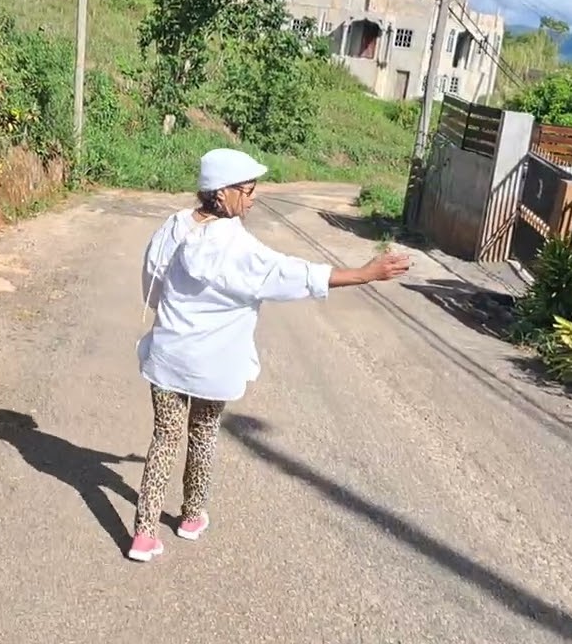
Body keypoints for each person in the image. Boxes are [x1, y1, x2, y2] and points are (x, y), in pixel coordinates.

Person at [128, 148, 411, 562]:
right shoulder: (239, 247)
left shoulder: (174, 227)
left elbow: (152, 280)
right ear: (221, 193)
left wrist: (170, 322)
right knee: (202, 434)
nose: (254, 197)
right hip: (213, 366)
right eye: (247, 190)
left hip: (169, 356)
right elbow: (290, 274)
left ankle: (144, 534)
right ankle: (190, 517)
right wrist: (363, 274)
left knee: (164, 439)